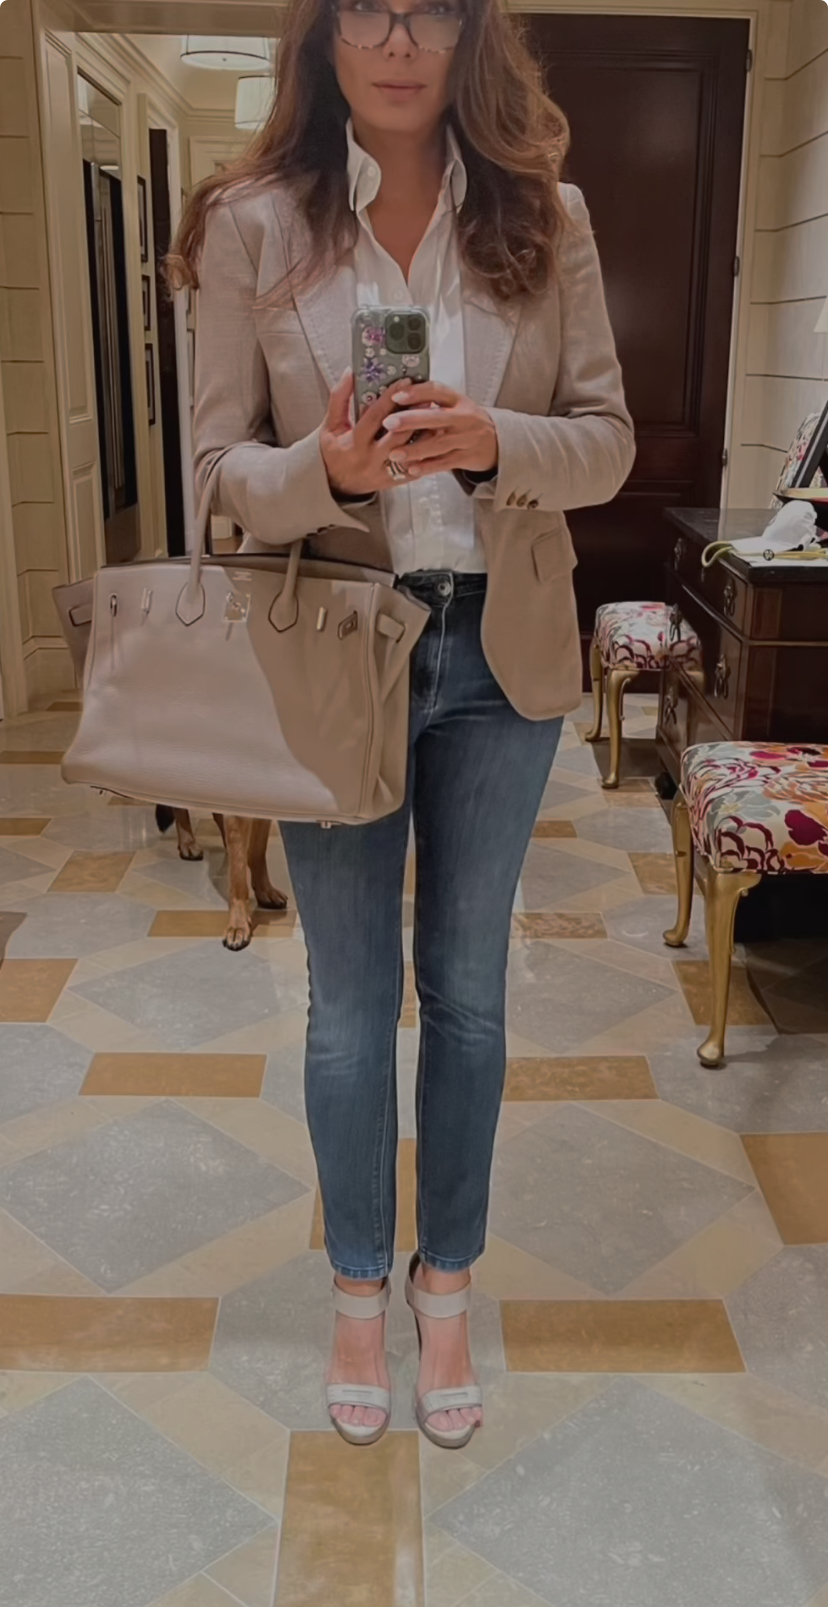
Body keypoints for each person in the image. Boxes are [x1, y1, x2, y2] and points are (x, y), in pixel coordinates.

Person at [171, 0, 635, 1451]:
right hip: (337, 647)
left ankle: (449, 1290)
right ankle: (359, 1293)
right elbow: (213, 472)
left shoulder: (546, 215)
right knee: (351, 1001)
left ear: (470, 30)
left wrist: (497, 442)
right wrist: (328, 466)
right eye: (362, 7)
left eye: (426, 6)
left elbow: (607, 441)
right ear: (320, 34)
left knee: (472, 993)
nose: (395, 38)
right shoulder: (252, 222)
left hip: (499, 649)